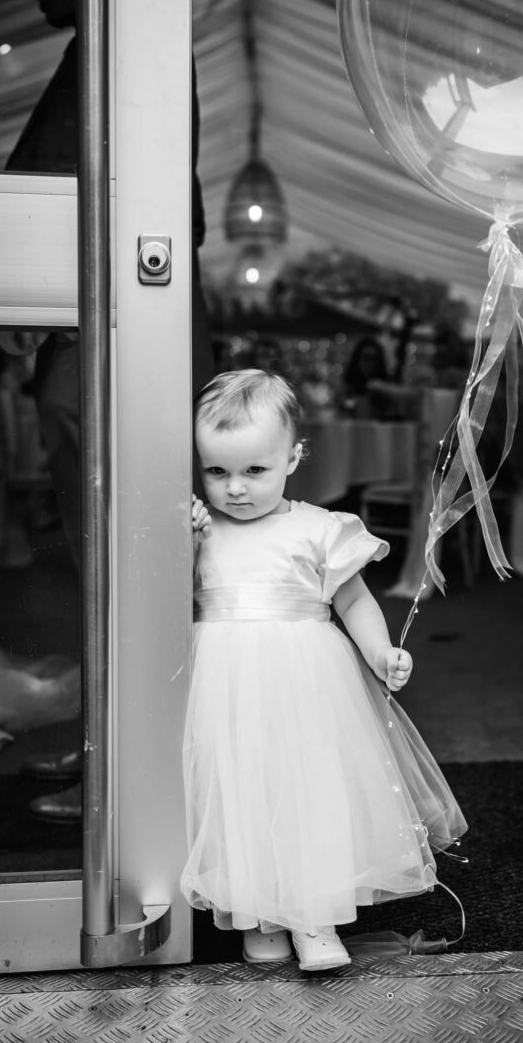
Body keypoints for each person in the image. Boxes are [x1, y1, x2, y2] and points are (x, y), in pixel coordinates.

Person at [7, 0, 215, 820]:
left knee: (127, 550)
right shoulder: (107, 48)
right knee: (110, 551)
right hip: (95, 335)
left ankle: (132, 772)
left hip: (114, 334)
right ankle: (113, 747)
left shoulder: (126, 48)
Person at [183, 370, 467, 971]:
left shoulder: (317, 527)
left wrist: (380, 653)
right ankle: (256, 916)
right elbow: (169, 597)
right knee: (239, 792)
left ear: (294, 457)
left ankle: (315, 918)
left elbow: (354, 600)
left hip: (304, 683)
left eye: (254, 471)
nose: (234, 488)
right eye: (216, 471)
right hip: (223, 684)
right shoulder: (200, 529)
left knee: (308, 790)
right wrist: (182, 545)